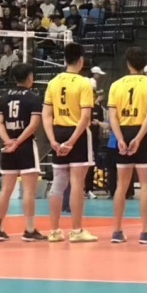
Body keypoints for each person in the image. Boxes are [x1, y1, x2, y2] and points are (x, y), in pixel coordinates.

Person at [108, 47, 147, 244]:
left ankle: (117, 231)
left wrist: (120, 138)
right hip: (142, 133)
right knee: (146, 185)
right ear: (144, 63)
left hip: (123, 131)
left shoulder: (116, 85)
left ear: (128, 63)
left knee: (121, 185)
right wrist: (139, 138)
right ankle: (146, 232)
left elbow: (112, 116)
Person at [43, 42, 97, 243]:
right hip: (77, 134)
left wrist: (52, 140)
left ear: (65, 60)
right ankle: (76, 230)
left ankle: (54, 230)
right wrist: (72, 141)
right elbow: (85, 117)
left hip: (58, 131)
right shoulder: (84, 83)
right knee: (77, 184)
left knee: (58, 183)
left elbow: (46, 114)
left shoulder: (53, 82)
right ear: (81, 60)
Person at [0, 63, 46, 242]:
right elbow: (33, 124)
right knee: (29, 191)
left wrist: (8, 141)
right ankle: (29, 230)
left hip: (8, 147)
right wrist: (18, 142)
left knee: (6, 190)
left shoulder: (5, 97)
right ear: (30, 77)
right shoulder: (33, 97)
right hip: (26, 146)